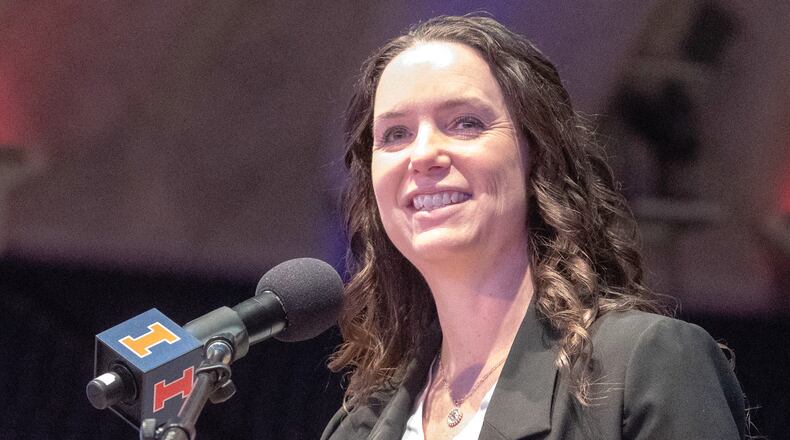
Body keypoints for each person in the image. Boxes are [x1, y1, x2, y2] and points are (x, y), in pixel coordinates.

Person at [322, 15, 745, 440]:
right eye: (395, 134)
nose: (423, 154)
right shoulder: (356, 428)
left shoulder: (642, 368)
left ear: (538, 154)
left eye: (465, 123)